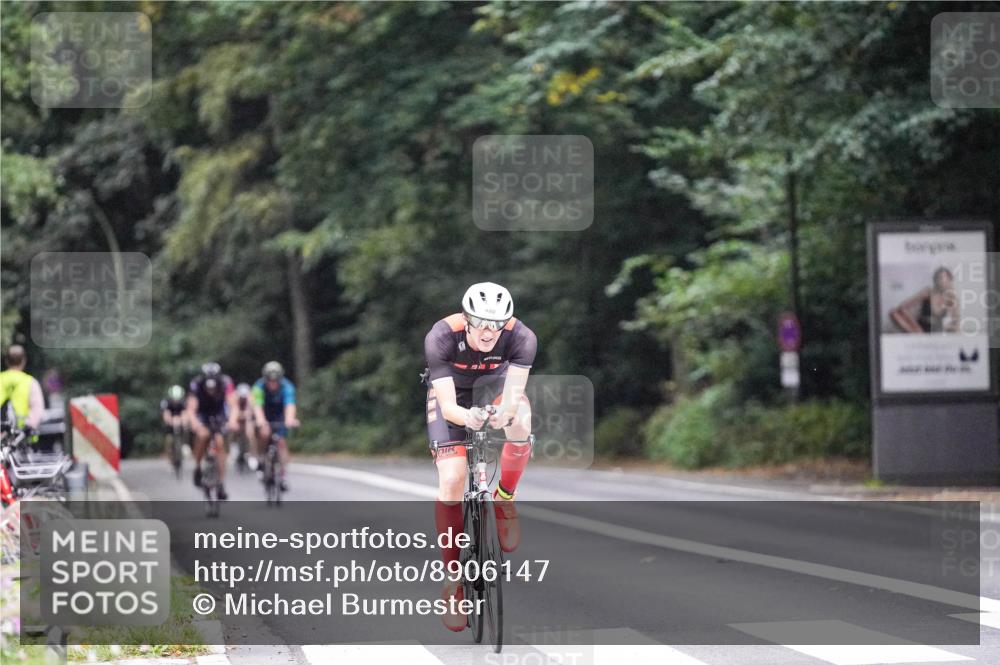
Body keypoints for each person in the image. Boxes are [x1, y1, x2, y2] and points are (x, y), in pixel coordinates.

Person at [423, 282, 536, 632]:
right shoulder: (441, 336)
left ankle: (504, 497)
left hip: (496, 387)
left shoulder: (521, 337)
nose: (489, 332)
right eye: (480, 323)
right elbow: (448, 407)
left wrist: (505, 414)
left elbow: (514, 396)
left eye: (496, 324)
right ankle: (453, 580)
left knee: (522, 423)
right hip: (451, 396)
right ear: (466, 319)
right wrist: (466, 417)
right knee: (453, 479)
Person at [187, 362, 237, 499]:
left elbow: (233, 405)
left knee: (220, 443)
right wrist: (196, 424)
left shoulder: (226, 382)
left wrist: (232, 421)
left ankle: (220, 482)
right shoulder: (196, 384)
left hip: (219, 413)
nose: (211, 390)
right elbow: (191, 409)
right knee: (202, 436)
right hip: (202, 413)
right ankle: (197, 466)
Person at [252, 361, 298, 492]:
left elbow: (290, 405)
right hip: (264, 413)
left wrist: (290, 419)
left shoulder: (287, 386)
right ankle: (261, 459)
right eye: (270, 381)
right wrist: (261, 421)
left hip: (279, 415)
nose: (273, 383)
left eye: (275, 381)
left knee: (281, 442)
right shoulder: (258, 386)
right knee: (264, 433)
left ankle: (282, 475)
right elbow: (257, 406)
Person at [889, 266, 959, 333]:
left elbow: (955, 319)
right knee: (893, 312)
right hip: (919, 327)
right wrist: (913, 324)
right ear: (935, 280)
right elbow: (903, 306)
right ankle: (917, 332)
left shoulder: (951, 297)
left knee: (954, 328)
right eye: (940, 278)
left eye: (946, 278)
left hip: (936, 329)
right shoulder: (928, 292)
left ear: (950, 280)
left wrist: (951, 328)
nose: (943, 281)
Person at [0, 345, 45, 434]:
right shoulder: (31, 382)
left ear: (6, 361)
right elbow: (37, 410)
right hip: (23, 440)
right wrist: (28, 426)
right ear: (24, 361)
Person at [161, 384, 190, 458]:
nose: (176, 400)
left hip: (180, 419)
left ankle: (185, 444)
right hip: (171, 420)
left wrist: (182, 421)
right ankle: (169, 453)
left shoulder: (184, 402)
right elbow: (166, 414)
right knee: (169, 438)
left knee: (186, 427)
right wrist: (170, 421)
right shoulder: (166, 402)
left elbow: (185, 413)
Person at [233, 383, 257, 470]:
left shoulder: (250, 399)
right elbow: (233, 413)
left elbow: (251, 412)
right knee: (233, 429)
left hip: (248, 420)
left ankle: (251, 454)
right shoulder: (235, 399)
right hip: (237, 420)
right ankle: (235, 450)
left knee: (250, 434)